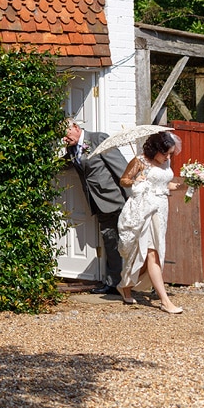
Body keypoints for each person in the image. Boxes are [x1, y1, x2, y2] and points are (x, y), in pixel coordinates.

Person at [116, 131, 186, 314]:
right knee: (151, 252)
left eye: (170, 153)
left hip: (161, 209)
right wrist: (135, 180)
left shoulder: (166, 162)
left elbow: (165, 185)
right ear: (155, 149)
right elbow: (123, 180)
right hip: (144, 209)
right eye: (165, 153)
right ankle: (165, 301)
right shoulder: (140, 161)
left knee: (149, 253)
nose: (168, 157)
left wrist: (185, 186)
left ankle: (125, 285)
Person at [63, 120, 128, 295]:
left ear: (76, 128)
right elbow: (68, 164)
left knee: (128, 241)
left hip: (116, 199)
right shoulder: (71, 149)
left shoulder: (98, 138)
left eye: (66, 133)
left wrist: (133, 197)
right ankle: (114, 284)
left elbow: (121, 168)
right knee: (110, 241)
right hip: (98, 203)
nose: (64, 139)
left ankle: (140, 281)